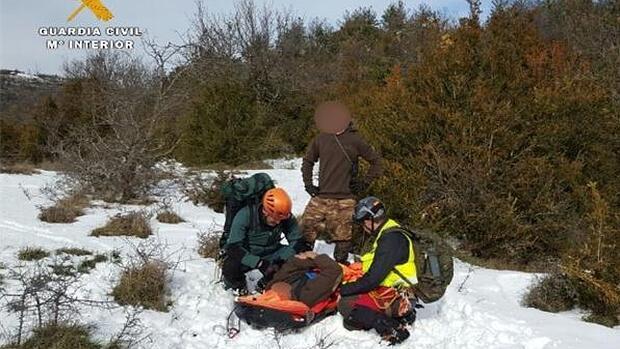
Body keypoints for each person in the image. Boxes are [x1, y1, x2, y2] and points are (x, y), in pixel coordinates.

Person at [301, 101, 382, 263]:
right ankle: (302, 263)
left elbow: (376, 162)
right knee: (305, 230)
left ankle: (340, 269)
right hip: (321, 196)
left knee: (343, 238)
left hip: (346, 199)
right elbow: (308, 161)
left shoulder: (355, 140)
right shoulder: (321, 139)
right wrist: (308, 184)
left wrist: (364, 183)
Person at [338, 196, 417, 346]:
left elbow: (373, 279)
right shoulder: (388, 231)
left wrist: (345, 289)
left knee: (346, 305)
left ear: (370, 220)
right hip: (392, 290)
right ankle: (401, 314)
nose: (363, 227)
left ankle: (391, 327)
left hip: (399, 294)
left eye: (363, 223)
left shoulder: (391, 240)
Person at [222, 187, 303, 295]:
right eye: (274, 219)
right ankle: (238, 287)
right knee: (230, 266)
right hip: (248, 253)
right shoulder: (245, 215)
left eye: (280, 220)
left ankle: (266, 284)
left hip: (272, 252)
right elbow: (233, 247)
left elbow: (297, 241)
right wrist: (259, 263)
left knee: (297, 259)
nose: (278, 222)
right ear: (265, 211)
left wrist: (281, 260)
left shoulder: (284, 215)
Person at [266, 251, 342, 307]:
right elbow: (334, 270)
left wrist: (306, 258)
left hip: (310, 272)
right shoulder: (306, 297)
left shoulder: (274, 285)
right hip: (327, 273)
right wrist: (315, 257)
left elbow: (292, 261)